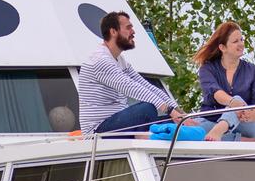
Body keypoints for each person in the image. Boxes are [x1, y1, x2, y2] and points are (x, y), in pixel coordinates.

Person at [81, 11, 226, 139]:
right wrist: (169, 110)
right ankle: (150, 138)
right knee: (147, 109)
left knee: (173, 123)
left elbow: (145, 85)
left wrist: (179, 113)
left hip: (117, 123)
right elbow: (131, 88)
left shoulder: (119, 59)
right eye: (128, 27)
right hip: (98, 130)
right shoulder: (100, 60)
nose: (133, 31)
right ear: (113, 32)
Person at [194, 21, 255, 141]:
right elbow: (215, 92)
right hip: (212, 121)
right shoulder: (207, 69)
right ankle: (245, 141)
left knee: (237, 104)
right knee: (192, 129)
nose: (241, 44)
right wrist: (234, 104)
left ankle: (220, 131)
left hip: (247, 123)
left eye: (241, 40)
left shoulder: (253, 71)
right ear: (222, 47)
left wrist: (247, 114)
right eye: (235, 41)